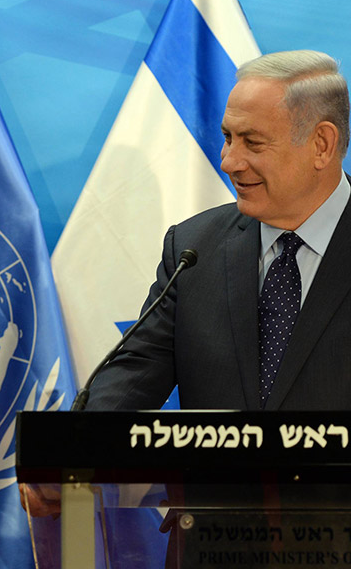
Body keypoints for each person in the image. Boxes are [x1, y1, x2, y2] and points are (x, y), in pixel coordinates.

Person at [85, 49, 351, 411]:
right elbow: (134, 374)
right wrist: (75, 440)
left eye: (252, 142)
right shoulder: (193, 249)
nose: (229, 162)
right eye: (228, 137)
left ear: (321, 145)